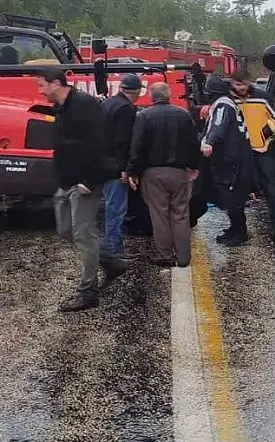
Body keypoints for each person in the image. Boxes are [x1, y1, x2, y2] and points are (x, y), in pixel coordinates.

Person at [39, 66, 129, 312]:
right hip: (66, 180)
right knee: (66, 230)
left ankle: (88, 292)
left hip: (84, 183)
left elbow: (100, 145)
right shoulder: (62, 108)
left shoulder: (84, 105)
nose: (40, 91)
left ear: (55, 83)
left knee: (83, 234)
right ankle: (110, 262)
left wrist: (89, 180)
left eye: (42, 86)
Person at [127, 82, 201, 267]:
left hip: (153, 173)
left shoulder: (143, 116)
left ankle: (165, 254)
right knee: (181, 214)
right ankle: (184, 257)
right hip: (179, 172)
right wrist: (194, 167)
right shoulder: (183, 115)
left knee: (159, 215)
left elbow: (137, 147)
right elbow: (193, 142)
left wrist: (133, 172)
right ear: (169, 95)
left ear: (151, 96)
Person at [231, 73, 275, 243]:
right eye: (237, 84)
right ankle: (238, 229)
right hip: (240, 153)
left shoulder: (262, 98)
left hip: (263, 151)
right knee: (237, 191)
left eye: (243, 84)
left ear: (248, 82)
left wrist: (266, 135)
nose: (241, 88)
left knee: (270, 190)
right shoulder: (229, 100)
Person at [201, 75, 253, 246]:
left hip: (233, 159)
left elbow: (218, 125)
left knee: (232, 196)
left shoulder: (223, 104)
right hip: (238, 157)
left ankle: (239, 232)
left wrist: (209, 142)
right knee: (232, 195)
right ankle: (235, 228)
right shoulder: (228, 102)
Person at [99, 74, 141, 260]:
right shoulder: (126, 109)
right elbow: (122, 142)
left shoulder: (108, 103)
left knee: (111, 206)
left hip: (103, 162)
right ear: (137, 92)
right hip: (116, 166)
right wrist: (125, 169)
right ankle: (112, 250)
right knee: (116, 209)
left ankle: (111, 247)